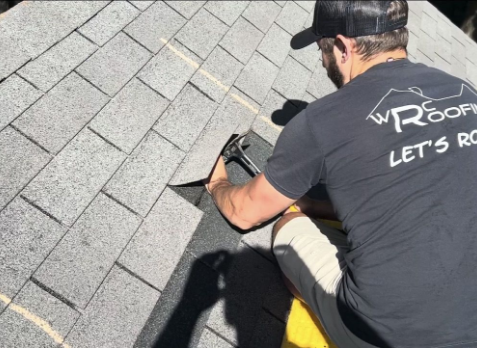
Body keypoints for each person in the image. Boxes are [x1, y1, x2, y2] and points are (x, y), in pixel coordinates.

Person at [205, 1, 477, 347]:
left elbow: (243, 212)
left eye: (322, 48)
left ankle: (325, 308)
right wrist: (319, 206)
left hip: (386, 333)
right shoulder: (465, 91)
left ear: (344, 47)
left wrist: (217, 183)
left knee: (287, 229)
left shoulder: (323, 120)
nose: (322, 60)